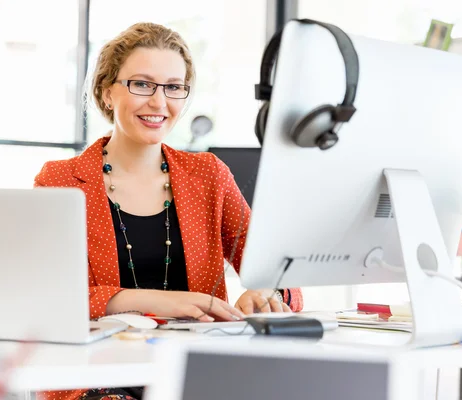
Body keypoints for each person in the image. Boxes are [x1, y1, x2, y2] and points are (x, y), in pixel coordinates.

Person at [34, 22, 303, 400]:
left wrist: (265, 292)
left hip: (196, 371)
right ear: (107, 92)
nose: (159, 103)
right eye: (142, 84)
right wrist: (162, 301)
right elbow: (50, 299)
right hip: (99, 376)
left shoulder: (208, 176)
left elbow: (281, 272)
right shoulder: (60, 180)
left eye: (174, 87)